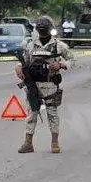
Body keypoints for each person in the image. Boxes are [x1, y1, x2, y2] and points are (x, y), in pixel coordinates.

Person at [15, 16, 76, 154]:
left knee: (52, 114)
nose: (42, 29)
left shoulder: (59, 45)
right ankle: (28, 143)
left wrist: (61, 65)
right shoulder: (31, 45)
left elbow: (72, 59)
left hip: (50, 84)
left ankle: (54, 143)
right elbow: (25, 60)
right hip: (33, 85)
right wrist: (18, 66)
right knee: (32, 114)